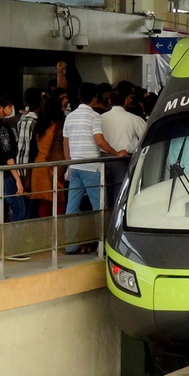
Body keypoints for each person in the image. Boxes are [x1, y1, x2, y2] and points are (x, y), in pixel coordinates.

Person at [62, 82, 127, 254]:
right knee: (100, 206)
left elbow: (65, 144)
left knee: (72, 207)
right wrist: (115, 153)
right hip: (91, 167)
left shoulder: (70, 116)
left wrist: (69, 164)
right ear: (94, 98)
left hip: (75, 167)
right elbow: (99, 140)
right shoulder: (94, 116)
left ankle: (70, 245)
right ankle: (103, 246)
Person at [0, 92, 27, 225]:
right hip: (2, 172)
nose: (12, 108)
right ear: (1, 108)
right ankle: (12, 238)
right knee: (20, 208)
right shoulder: (2, 127)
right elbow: (8, 156)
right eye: (9, 106)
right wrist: (17, 179)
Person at [101, 85, 146, 207]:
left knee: (103, 193)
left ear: (110, 101)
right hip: (123, 159)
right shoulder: (133, 119)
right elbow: (146, 137)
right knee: (120, 194)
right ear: (126, 100)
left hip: (101, 159)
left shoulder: (100, 118)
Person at [30, 96, 67, 218]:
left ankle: (44, 233)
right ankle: (57, 234)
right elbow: (58, 151)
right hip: (52, 168)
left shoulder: (40, 125)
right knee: (58, 204)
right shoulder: (58, 127)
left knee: (44, 203)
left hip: (38, 166)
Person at [16, 87, 43, 214]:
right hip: (32, 167)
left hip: (19, 164)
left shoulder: (21, 121)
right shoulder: (37, 121)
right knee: (34, 202)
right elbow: (35, 148)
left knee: (24, 202)